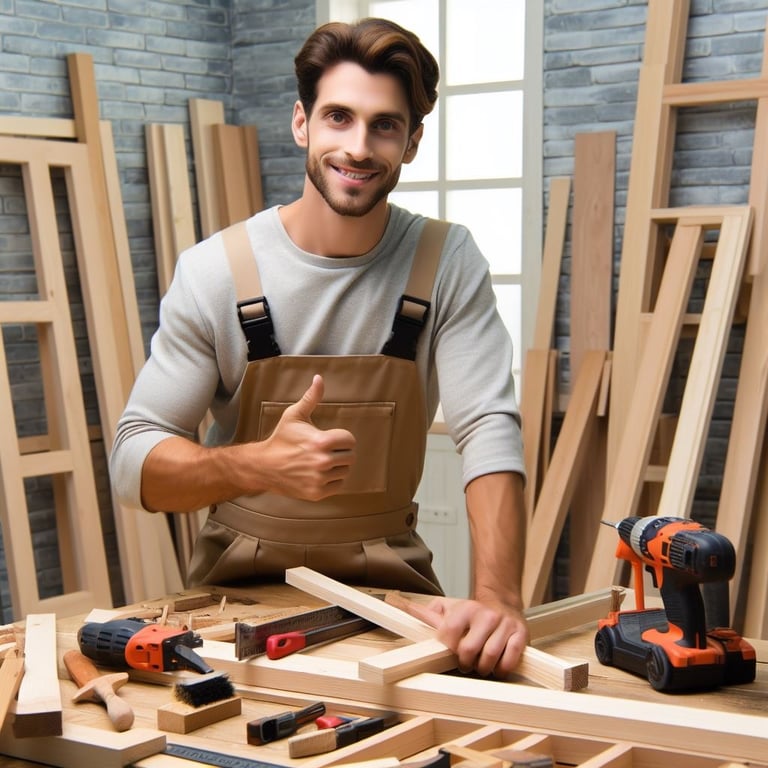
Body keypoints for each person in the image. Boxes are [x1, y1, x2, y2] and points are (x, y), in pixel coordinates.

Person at [110, 17, 528, 678]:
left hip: (392, 603)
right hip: (232, 609)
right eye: (339, 117)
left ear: (412, 142)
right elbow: (132, 463)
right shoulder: (217, 271)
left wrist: (499, 598)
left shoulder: (446, 262)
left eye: (384, 125)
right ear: (302, 122)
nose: (358, 147)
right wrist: (258, 464)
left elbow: (488, 429)